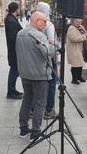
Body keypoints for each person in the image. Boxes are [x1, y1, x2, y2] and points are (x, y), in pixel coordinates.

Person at [15, 11, 56, 141]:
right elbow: (48, 52)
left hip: (25, 74)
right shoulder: (39, 36)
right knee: (40, 104)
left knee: (27, 100)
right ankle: (35, 133)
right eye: (44, 21)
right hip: (39, 75)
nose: (45, 24)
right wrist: (52, 44)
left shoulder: (20, 34)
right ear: (36, 20)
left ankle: (23, 129)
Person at [36, 2, 58, 119]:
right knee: (52, 83)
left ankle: (33, 109)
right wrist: (55, 56)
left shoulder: (34, 23)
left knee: (36, 84)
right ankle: (49, 110)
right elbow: (52, 43)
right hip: (48, 59)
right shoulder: (48, 24)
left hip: (36, 59)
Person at [4, 2, 23, 100]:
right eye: (19, 9)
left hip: (14, 50)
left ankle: (12, 90)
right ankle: (10, 92)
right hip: (14, 51)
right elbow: (13, 37)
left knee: (15, 71)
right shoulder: (11, 20)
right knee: (14, 71)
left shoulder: (10, 18)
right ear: (16, 9)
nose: (19, 10)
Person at [66, 19, 87, 84]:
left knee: (79, 63)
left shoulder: (78, 28)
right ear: (73, 22)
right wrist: (84, 36)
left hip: (78, 48)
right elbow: (74, 39)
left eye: (80, 22)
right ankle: (74, 79)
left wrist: (83, 30)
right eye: (78, 22)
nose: (79, 23)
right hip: (73, 49)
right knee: (75, 64)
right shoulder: (71, 28)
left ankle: (79, 77)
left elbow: (83, 33)